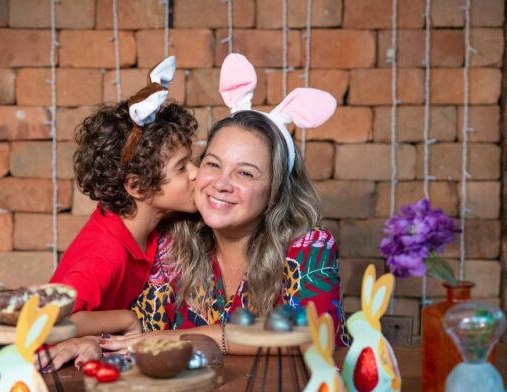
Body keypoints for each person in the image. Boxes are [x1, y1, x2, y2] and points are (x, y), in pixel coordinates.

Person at [40, 53, 347, 370]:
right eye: (213, 164)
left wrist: (183, 337)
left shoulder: (310, 246)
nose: (220, 183)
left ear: (277, 189)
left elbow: (310, 335)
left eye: (245, 173)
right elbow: (140, 331)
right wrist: (96, 342)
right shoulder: (173, 246)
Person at [47, 56, 199, 340]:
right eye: (182, 167)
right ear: (137, 187)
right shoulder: (106, 255)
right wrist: (126, 320)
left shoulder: (145, 226)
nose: (196, 173)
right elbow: (49, 324)